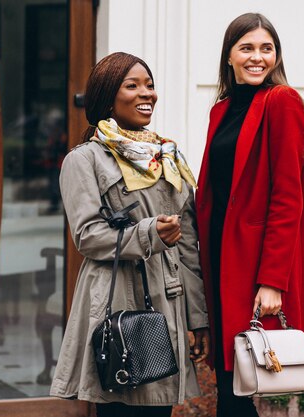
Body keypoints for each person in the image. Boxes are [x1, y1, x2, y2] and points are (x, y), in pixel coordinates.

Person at [50, 52, 210, 417]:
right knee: (122, 405)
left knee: (158, 407)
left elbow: (187, 246)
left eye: (150, 85)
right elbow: (88, 236)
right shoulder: (84, 159)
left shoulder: (168, 156)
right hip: (118, 300)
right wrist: (150, 233)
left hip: (167, 301)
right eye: (133, 85)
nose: (147, 94)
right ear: (108, 96)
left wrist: (197, 318)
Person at [194, 13, 304, 416]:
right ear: (229, 56)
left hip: (254, 263)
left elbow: (288, 197)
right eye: (246, 47)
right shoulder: (222, 110)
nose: (257, 57)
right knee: (232, 379)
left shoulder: (281, 102)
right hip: (220, 254)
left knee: (242, 382)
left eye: (267, 49)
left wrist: (272, 280)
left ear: (276, 56)